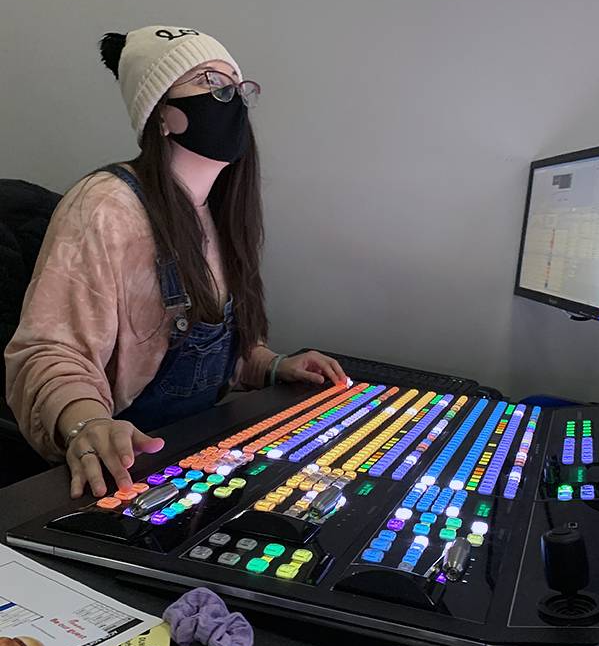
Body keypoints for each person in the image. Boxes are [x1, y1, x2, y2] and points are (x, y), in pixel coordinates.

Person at [5, 25, 346, 499]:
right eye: (210, 83)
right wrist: (87, 423)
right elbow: (49, 352)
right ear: (162, 115)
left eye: (237, 85)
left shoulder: (219, 212)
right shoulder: (106, 206)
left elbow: (215, 355)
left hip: (196, 458)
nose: (233, 99)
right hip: (122, 471)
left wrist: (271, 365)